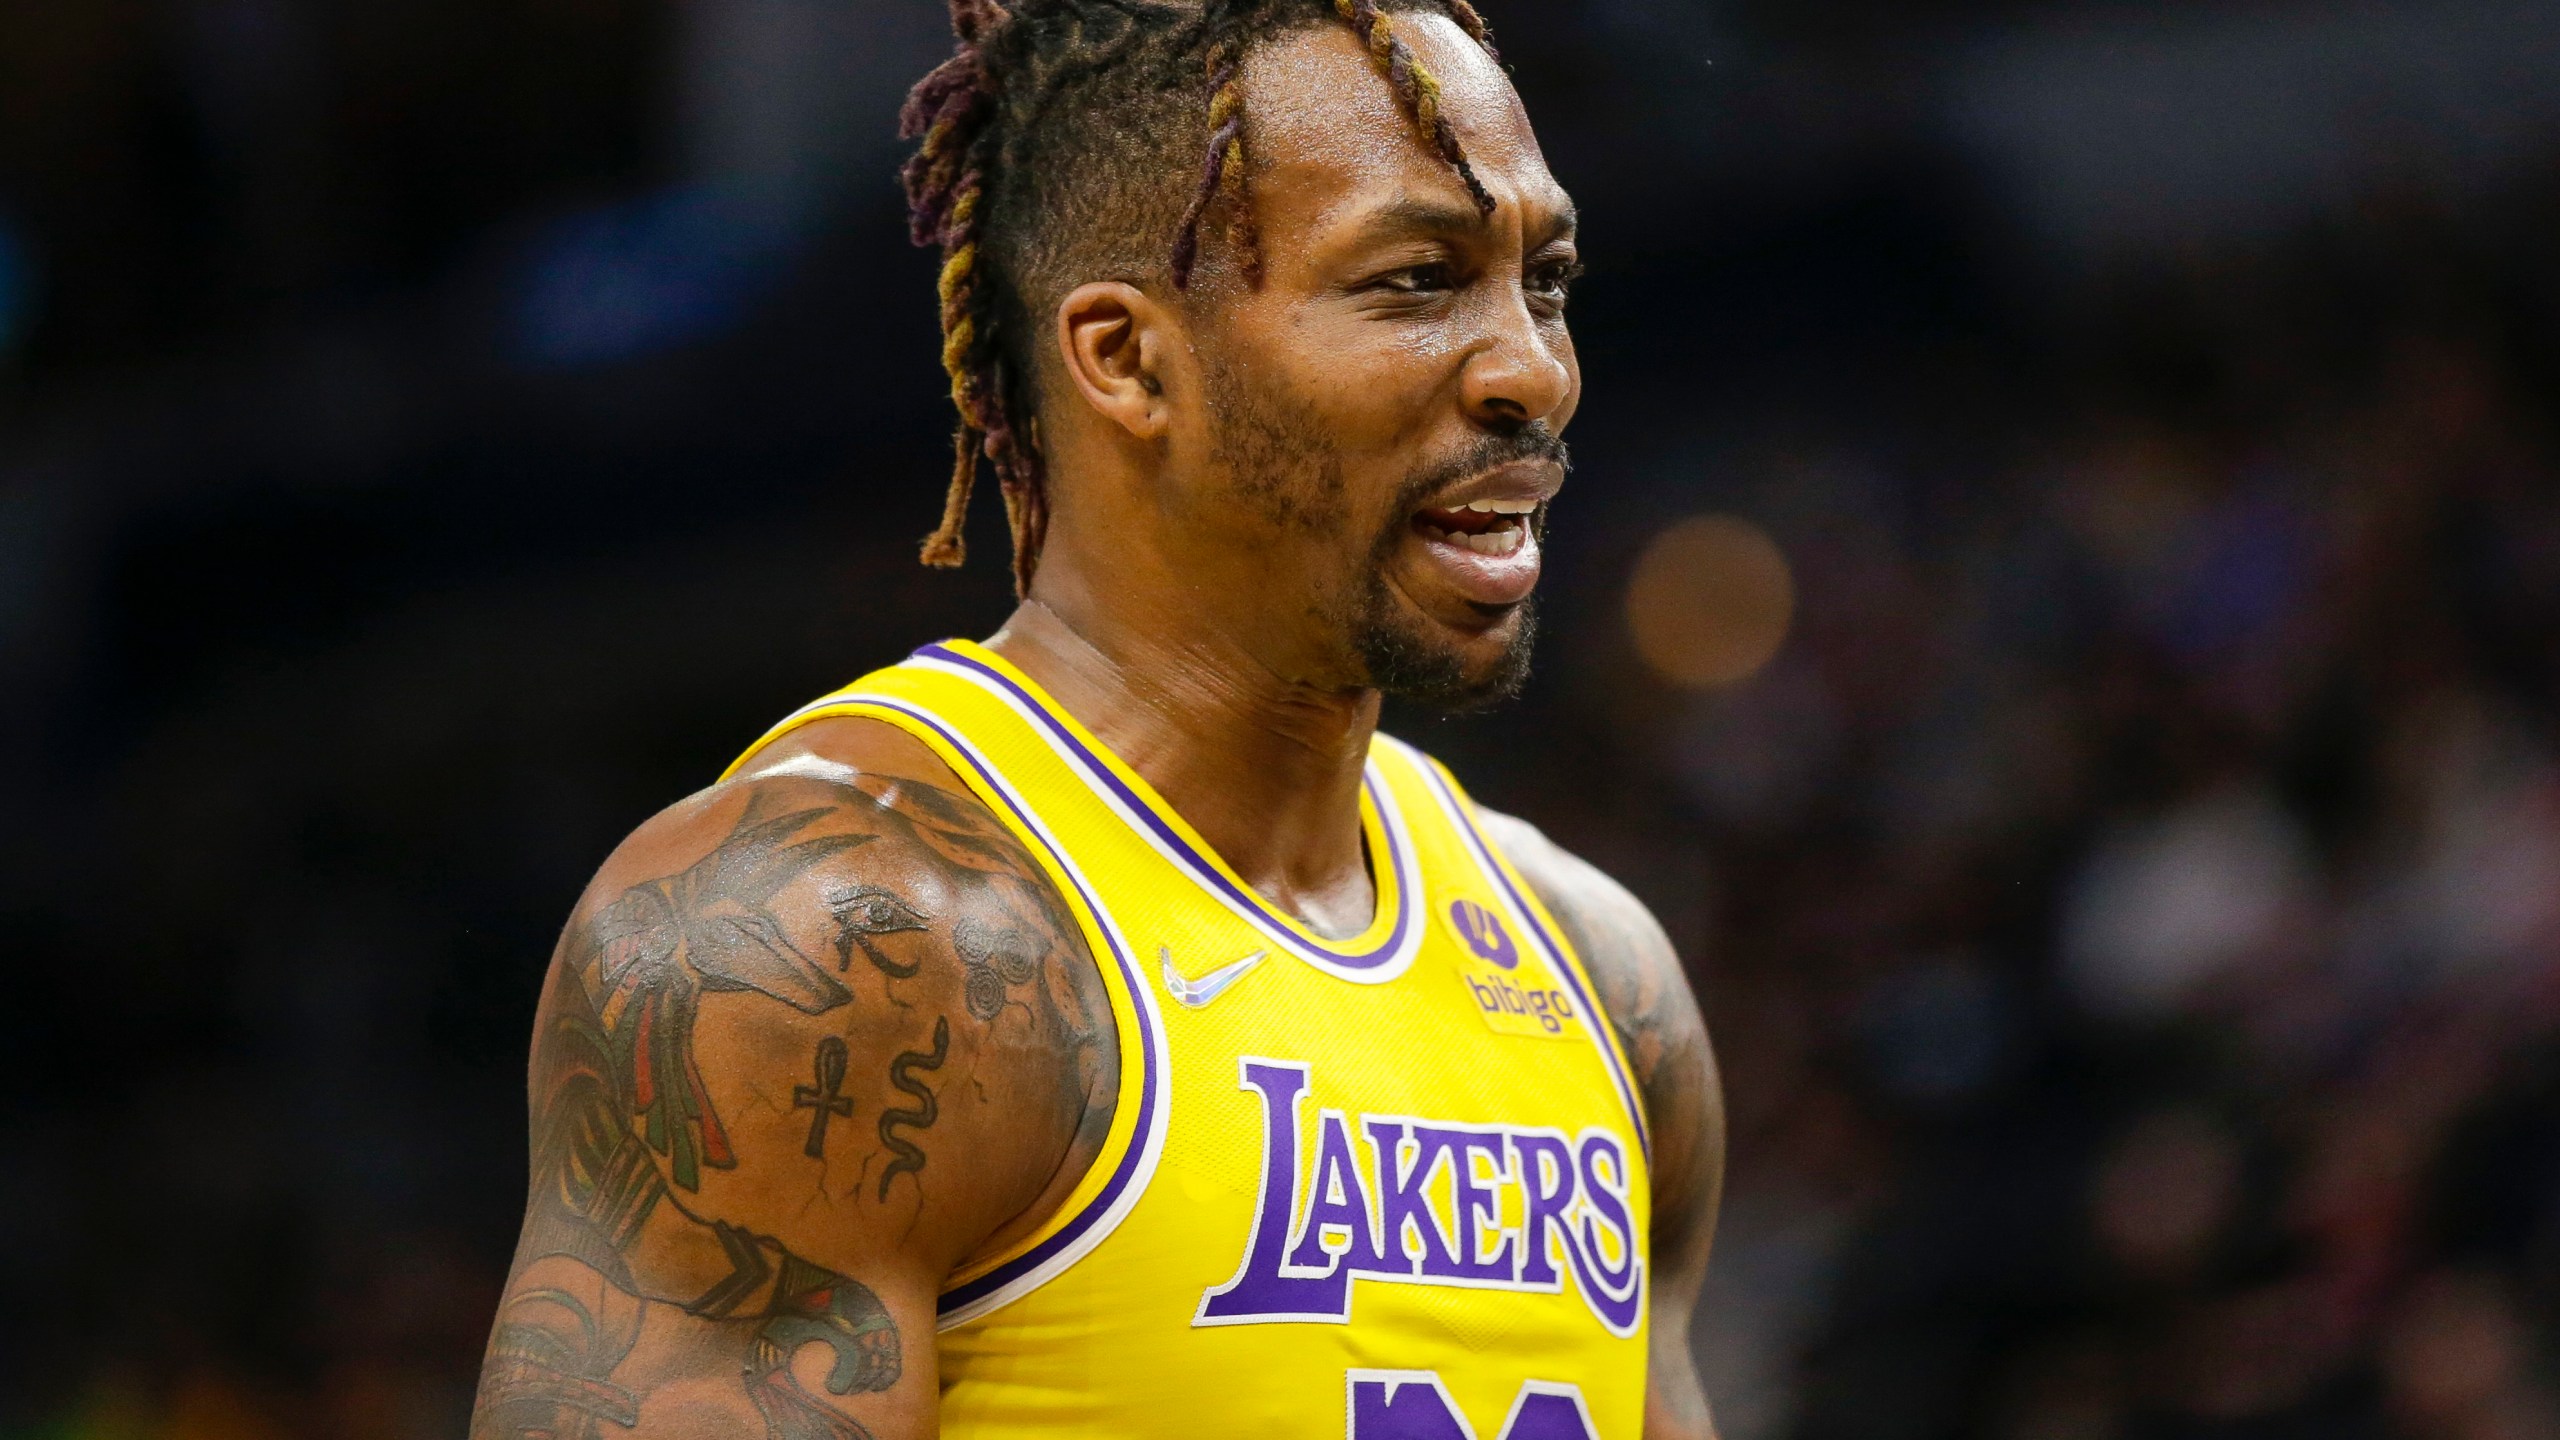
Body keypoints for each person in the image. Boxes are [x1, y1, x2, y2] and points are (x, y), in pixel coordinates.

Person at [469, 1, 1723, 1435]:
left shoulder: (1603, 980)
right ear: (1128, 360)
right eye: (1417, 280)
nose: (1533, 371)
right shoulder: (829, 950)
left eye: (1544, 281)